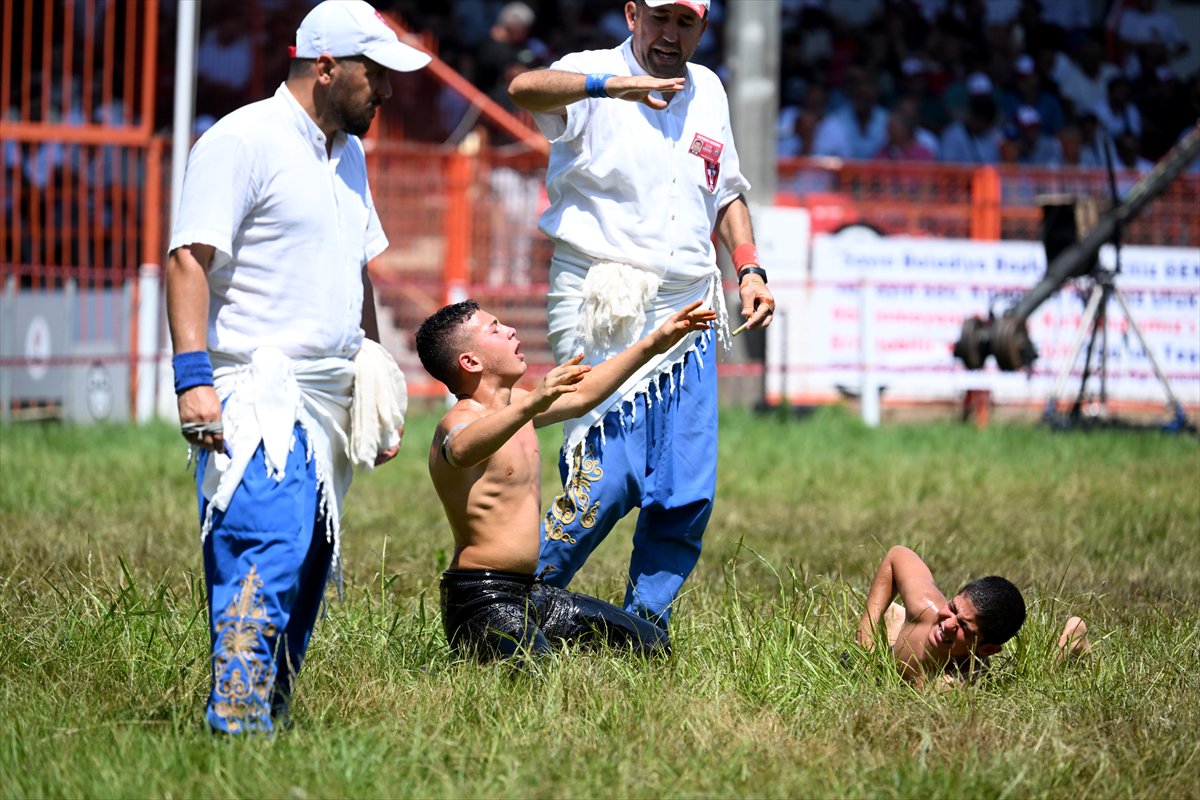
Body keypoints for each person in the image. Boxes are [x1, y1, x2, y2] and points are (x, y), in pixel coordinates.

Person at [165, 0, 429, 734]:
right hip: (257, 391)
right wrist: (193, 381)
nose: (385, 91)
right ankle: (236, 723)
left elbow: (358, 271)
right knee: (268, 551)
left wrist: (373, 378)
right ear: (325, 67)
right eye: (374, 75)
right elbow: (189, 259)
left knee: (309, 570)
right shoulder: (240, 139)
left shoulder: (348, 153)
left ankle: (264, 719)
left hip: (323, 398)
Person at [506, 0, 776, 629]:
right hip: (605, 294)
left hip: (691, 304)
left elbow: (726, 188)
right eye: (658, 17)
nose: (669, 34)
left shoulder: (708, 88)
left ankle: (645, 627)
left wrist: (750, 267)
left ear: (702, 27)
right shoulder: (592, 71)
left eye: (685, 22)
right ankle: (518, 598)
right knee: (609, 475)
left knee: (686, 486)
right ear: (631, 14)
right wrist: (611, 86)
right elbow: (522, 88)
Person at [414, 299, 717, 661]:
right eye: (495, 329)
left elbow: (585, 394)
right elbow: (461, 449)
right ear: (471, 361)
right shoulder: (459, 420)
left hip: (533, 594)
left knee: (651, 646)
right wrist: (532, 404)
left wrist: (655, 342)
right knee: (536, 672)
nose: (510, 330)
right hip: (482, 598)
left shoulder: (519, 406)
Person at [857, 546, 1091, 687]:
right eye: (953, 608)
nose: (947, 624)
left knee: (1039, 681)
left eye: (964, 628)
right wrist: (865, 644)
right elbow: (898, 554)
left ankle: (1071, 641)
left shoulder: (960, 680)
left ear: (986, 649)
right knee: (887, 614)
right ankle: (899, 619)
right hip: (900, 646)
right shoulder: (925, 606)